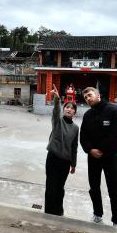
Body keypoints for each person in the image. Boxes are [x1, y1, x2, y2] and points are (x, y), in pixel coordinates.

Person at [79, 87, 117, 226]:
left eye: (90, 95)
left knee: (113, 188)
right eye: (85, 97)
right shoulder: (87, 115)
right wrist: (90, 150)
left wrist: (101, 149)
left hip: (109, 156)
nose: (88, 98)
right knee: (94, 187)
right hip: (92, 157)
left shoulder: (114, 111)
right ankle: (97, 214)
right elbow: (83, 136)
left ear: (98, 95)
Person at [44, 84, 79, 216]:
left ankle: (58, 211)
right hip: (53, 158)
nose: (69, 109)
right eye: (67, 107)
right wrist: (57, 99)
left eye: (72, 108)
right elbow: (55, 111)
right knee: (51, 186)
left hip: (65, 162)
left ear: (75, 113)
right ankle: (48, 213)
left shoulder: (76, 128)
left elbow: (74, 147)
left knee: (60, 188)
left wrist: (73, 164)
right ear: (64, 110)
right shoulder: (58, 121)